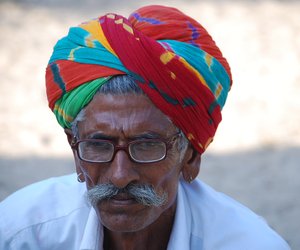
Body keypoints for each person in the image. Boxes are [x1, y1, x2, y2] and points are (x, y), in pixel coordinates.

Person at [0, 5, 290, 250]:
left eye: (148, 145)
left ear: (190, 157)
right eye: (98, 145)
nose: (120, 176)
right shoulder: (23, 233)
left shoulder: (250, 244)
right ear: (75, 152)